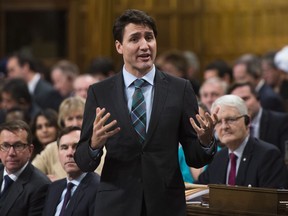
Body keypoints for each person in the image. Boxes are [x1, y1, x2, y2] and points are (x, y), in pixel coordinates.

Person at [75, 9, 218, 216]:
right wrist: (94, 145)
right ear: (119, 46)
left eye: (149, 37)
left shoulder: (180, 89)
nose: (145, 45)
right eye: (135, 39)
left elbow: (195, 158)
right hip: (116, 204)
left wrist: (205, 141)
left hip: (166, 204)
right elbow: (83, 161)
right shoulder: (100, 92)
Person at [197, 95, 288, 188]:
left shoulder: (268, 155)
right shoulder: (217, 157)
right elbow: (197, 189)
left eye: (231, 119)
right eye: (219, 122)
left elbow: (271, 199)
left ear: (247, 121)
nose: (224, 127)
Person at [32, 96, 105, 181]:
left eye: (79, 117)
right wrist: (46, 180)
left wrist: (59, 182)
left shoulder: (98, 147)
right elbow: (30, 174)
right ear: (63, 122)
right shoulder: (51, 149)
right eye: (70, 119)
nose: (75, 123)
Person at [43, 126, 100, 216]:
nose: (69, 153)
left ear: (86, 150)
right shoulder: (53, 188)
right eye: (64, 148)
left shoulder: (98, 188)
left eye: (76, 146)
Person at [0, 120, 51, 215]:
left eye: (18, 146)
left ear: (30, 150)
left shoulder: (41, 186)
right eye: (5, 146)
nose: (11, 153)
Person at [228, 82, 288, 159]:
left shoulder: (281, 122)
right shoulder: (229, 126)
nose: (241, 105)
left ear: (258, 99)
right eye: (236, 102)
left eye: (245, 99)